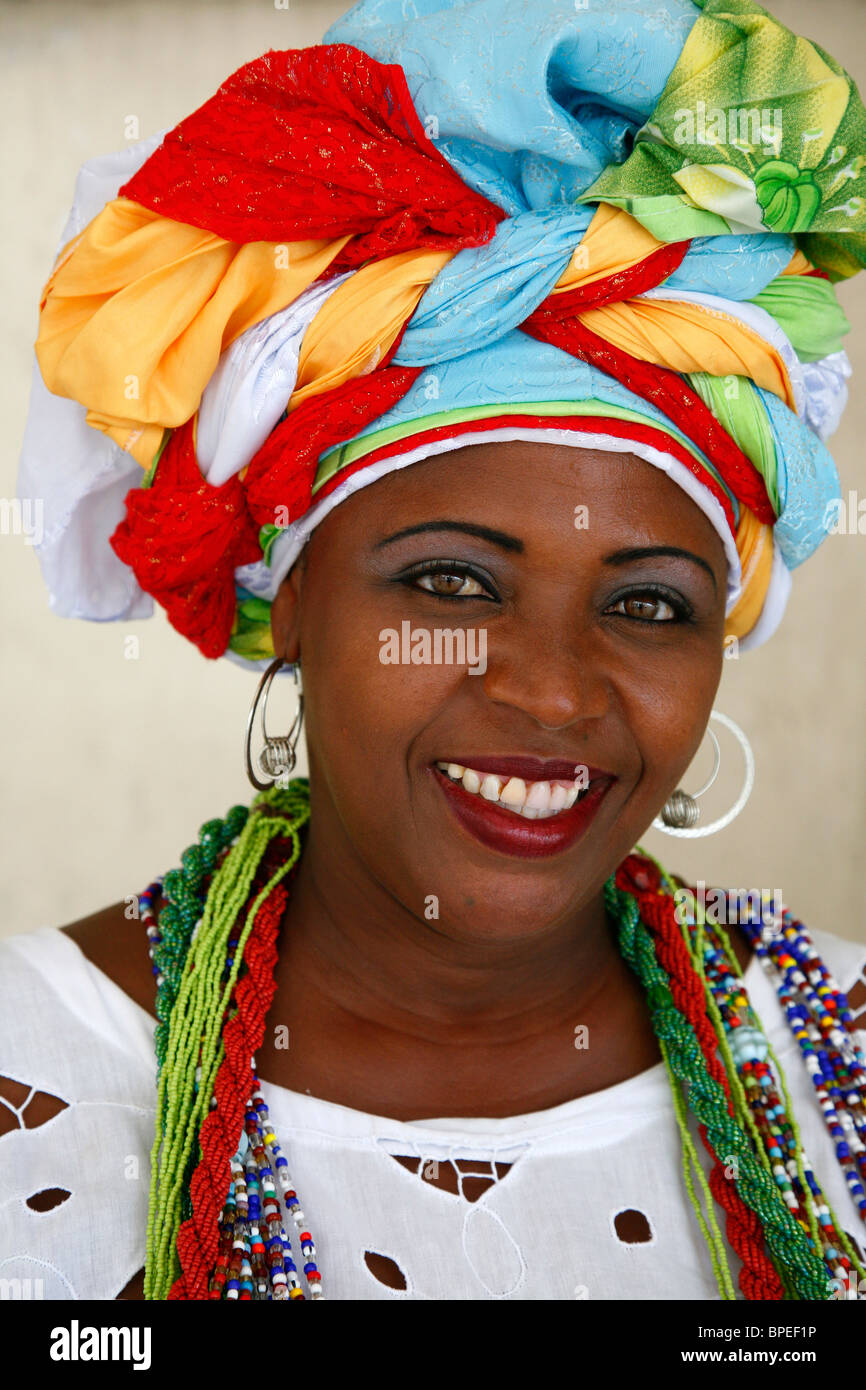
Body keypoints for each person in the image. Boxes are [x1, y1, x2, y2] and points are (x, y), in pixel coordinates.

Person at [3, 0, 866, 1301]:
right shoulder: (35, 1074)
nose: (553, 689)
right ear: (285, 598)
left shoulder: (835, 1042)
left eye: (647, 605)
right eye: (452, 581)